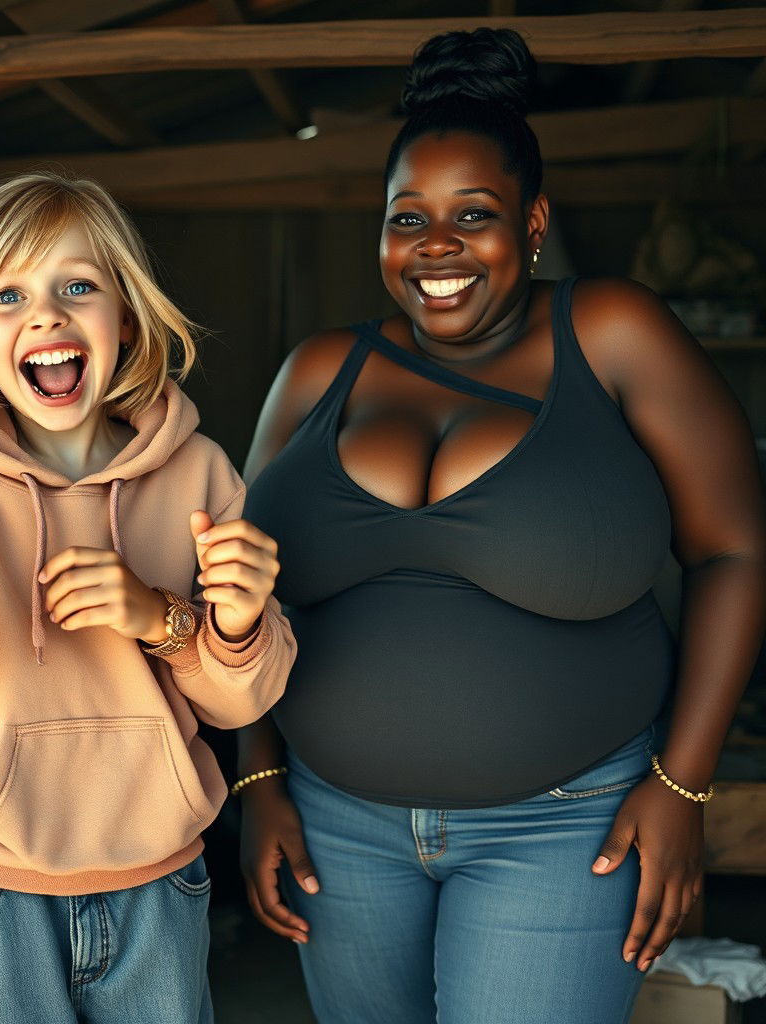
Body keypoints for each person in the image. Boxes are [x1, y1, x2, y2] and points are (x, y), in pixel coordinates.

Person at [238, 27, 766, 1024]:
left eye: (472, 215)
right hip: (334, 823)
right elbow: (238, 587)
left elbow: (733, 549)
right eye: (408, 218)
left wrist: (683, 783)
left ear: (531, 224)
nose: (435, 247)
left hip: (565, 827)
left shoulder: (610, 332)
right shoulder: (319, 370)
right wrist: (257, 778)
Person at [0, 171, 295, 1024]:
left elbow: (243, 700)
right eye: (7, 295)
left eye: (78, 286)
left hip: (159, 881)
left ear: (125, 315)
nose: (46, 316)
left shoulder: (200, 473)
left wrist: (171, 618)